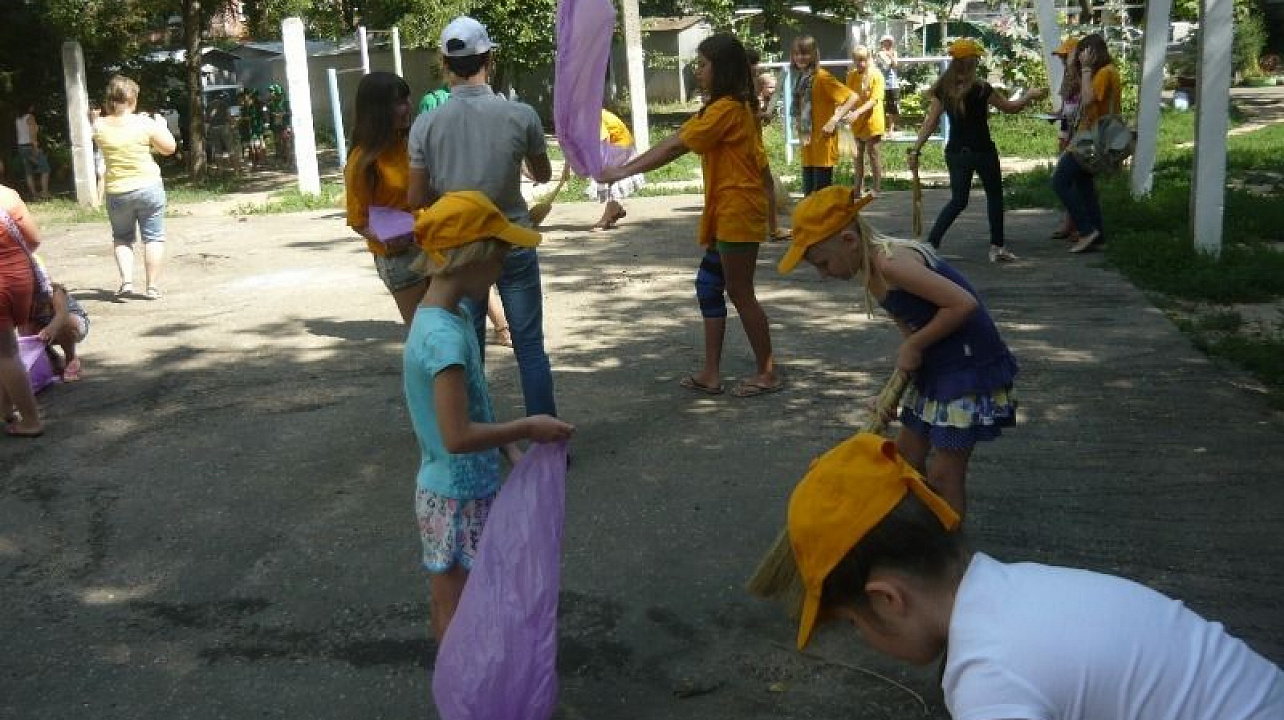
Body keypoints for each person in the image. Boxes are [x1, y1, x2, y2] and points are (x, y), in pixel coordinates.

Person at [786, 432, 1284, 720]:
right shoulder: (1023, 589)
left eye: (853, 623)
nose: (861, 637)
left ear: (887, 599)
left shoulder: (990, 676)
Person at [778, 186, 1017, 515]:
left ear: (849, 241)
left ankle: (949, 545)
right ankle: (915, 535)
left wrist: (915, 345)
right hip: (938, 366)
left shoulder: (891, 263)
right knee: (904, 459)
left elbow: (963, 304)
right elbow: (912, 337)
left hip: (967, 369)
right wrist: (892, 392)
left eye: (823, 263)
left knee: (943, 475)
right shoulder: (871, 276)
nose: (823, 274)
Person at [404, 190, 574, 642]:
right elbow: (456, 435)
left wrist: (510, 449)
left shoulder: (451, 316)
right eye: (498, 258)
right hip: (455, 496)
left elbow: (475, 404)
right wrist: (529, 426)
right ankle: (459, 682)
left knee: (466, 600)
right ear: (471, 258)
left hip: (464, 486)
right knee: (457, 606)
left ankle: (469, 677)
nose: (500, 270)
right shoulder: (443, 340)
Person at [599, 33, 782, 398]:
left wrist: (622, 171)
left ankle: (767, 372)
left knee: (740, 291)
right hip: (729, 211)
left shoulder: (728, 110)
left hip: (737, 213)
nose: (697, 71)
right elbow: (685, 139)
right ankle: (711, 373)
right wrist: (772, 209)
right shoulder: (728, 107)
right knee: (709, 286)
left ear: (722, 69)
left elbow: (676, 146)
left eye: (702, 65)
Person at [407, 15, 558, 417]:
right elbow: (543, 174)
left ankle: (477, 434)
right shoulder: (521, 115)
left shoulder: (425, 124)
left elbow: (416, 195)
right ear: (489, 59)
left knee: (466, 347)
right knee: (529, 346)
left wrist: (452, 190)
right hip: (512, 240)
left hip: (460, 250)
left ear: (445, 64)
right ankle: (548, 440)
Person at [907, 39, 1047, 264]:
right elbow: (1010, 108)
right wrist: (1029, 95)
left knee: (958, 201)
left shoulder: (943, 89)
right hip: (983, 150)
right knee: (994, 196)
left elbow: (930, 122)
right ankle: (997, 247)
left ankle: (931, 245)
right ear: (972, 62)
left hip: (956, 152)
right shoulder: (981, 88)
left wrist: (915, 150)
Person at [344, 71, 428, 326]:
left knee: (449, 326)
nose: (408, 107)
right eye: (399, 102)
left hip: (431, 245)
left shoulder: (408, 144)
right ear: (377, 110)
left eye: (407, 99)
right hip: (400, 259)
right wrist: (389, 238)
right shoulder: (362, 161)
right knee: (426, 334)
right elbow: (358, 221)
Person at [93, 75, 178, 301]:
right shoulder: (145, 124)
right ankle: (152, 287)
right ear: (133, 99)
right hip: (148, 186)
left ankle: (127, 282)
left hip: (117, 191)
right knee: (153, 237)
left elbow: (104, 131)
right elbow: (169, 148)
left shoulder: (99, 126)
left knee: (122, 238)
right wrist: (161, 126)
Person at [1053, 33, 1121, 255]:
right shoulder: (1109, 71)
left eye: (1082, 53)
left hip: (1090, 138)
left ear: (1091, 53)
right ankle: (1098, 235)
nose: (1079, 58)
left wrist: (1085, 70)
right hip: (1095, 136)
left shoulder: (1102, 73)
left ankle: (1086, 230)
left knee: (1060, 181)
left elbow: (1088, 98)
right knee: (1084, 186)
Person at [0, 184, 45, 437]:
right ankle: (5, 409)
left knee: (5, 354)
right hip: (19, 277)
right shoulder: (7, 195)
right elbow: (34, 239)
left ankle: (31, 421)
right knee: (6, 349)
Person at [790, 36, 861, 196]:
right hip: (808, 144)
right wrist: (799, 126)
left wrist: (834, 120)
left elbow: (853, 97)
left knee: (821, 195)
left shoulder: (822, 77)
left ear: (814, 55)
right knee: (809, 196)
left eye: (805, 53)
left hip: (822, 143)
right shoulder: (801, 78)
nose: (800, 57)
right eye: (796, 54)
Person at [747, 48, 792, 242]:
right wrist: (763, 115)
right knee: (767, 186)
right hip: (751, 146)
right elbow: (749, 116)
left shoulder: (737, 86)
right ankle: (773, 229)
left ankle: (759, 226)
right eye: (754, 67)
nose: (756, 71)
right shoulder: (746, 88)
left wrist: (763, 113)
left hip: (749, 144)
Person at [22, 256, 89, 382]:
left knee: (65, 322)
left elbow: (62, 315)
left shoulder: (54, 290)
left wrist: (50, 328)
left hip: (71, 324)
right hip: (43, 331)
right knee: (25, 327)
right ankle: (52, 358)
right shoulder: (19, 297)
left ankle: (71, 357)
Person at [587, 109, 643, 231]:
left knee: (609, 177)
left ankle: (609, 214)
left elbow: (604, 140)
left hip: (620, 147)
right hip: (613, 146)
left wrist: (601, 164)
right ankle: (616, 209)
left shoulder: (594, 115)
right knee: (607, 176)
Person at [844, 46, 887, 197]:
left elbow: (874, 100)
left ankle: (876, 188)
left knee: (873, 154)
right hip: (856, 122)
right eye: (857, 60)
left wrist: (857, 112)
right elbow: (848, 96)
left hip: (872, 121)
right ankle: (858, 188)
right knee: (857, 156)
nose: (860, 63)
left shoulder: (877, 75)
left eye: (863, 60)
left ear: (869, 59)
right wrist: (843, 109)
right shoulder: (851, 76)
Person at [1050, 37, 1080, 242]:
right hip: (1067, 130)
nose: (1062, 61)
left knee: (1074, 180)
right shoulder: (1067, 77)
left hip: (1079, 133)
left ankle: (1079, 224)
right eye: (1061, 57)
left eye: (1065, 56)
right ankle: (1070, 223)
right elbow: (1064, 107)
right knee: (1067, 180)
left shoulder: (1085, 77)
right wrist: (1055, 115)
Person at [14, 104, 51, 201]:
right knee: (45, 168)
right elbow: (32, 134)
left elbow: (19, 134)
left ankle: (34, 195)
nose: (33, 108)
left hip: (21, 147)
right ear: (29, 107)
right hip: (30, 146)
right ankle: (44, 192)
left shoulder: (18, 119)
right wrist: (35, 148)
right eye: (32, 106)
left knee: (28, 172)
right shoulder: (30, 117)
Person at [875, 35, 901, 135]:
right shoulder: (878, 54)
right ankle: (882, 129)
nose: (887, 44)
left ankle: (891, 130)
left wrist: (889, 55)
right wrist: (881, 55)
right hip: (881, 84)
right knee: (880, 107)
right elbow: (879, 67)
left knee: (892, 107)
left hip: (892, 84)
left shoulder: (894, 53)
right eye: (885, 42)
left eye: (889, 42)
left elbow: (895, 65)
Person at [267, 84, 293, 163]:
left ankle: (287, 158)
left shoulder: (285, 101)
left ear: (277, 92)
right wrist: (273, 114)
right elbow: (269, 113)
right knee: (277, 141)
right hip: (276, 125)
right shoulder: (271, 103)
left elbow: (290, 112)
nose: (270, 93)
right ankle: (279, 156)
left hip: (284, 124)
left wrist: (283, 114)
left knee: (286, 141)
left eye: (272, 92)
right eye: (270, 92)